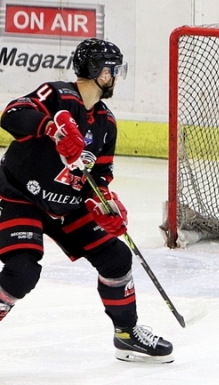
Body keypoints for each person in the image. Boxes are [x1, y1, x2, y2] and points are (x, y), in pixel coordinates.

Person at [0, 38, 174, 362]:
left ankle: (126, 334)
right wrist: (51, 129)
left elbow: (100, 174)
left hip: (67, 205)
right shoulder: (58, 95)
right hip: (18, 195)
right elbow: (12, 115)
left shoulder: (106, 122)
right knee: (21, 271)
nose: (116, 77)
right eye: (113, 70)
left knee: (117, 258)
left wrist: (104, 202)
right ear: (99, 72)